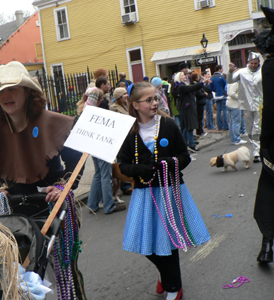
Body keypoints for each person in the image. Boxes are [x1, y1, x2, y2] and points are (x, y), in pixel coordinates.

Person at [0, 61, 87, 299]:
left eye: (13, 89)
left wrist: (63, 186)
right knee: (21, 279)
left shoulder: (50, 120)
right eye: (1, 91)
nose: (6, 95)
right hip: (13, 214)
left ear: (27, 92)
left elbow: (75, 163)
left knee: (64, 274)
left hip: (51, 207)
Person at [118, 81, 210, 300]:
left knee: (169, 240)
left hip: (170, 191)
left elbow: (185, 156)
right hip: (144, 194)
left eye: (155, 98)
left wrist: (168, 163)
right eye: (148, 100)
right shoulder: (129, 132)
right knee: (145, 243)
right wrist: (140, 169)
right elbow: (122, 165)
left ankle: (174, 287)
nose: (154, 103)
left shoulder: (168, 125)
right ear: (135, 105)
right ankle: (166, 274)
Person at [252, 5, 274, 264]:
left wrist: (263, 144)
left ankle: (267, 245)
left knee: (270, 191)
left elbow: (271, 111)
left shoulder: (272, 67)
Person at [84, 87, 126, 214]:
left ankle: (92, 204)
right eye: (101, 98)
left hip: (92, 144)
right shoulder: (96, 110)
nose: (102, 100)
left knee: (98, 174)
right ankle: (109, 205)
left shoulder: (85, 109)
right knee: (105, 176)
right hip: (101, 145)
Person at [227, 53, 263, 163]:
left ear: (258, 63)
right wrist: (230, 71)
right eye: (251, 63)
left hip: (260, 104)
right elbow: (229, 80)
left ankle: (257, 151)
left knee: (257, 127)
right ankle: (257, 146)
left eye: (255, 63)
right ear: (248, 62)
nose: (253, 65)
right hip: (246, 104)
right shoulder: (242, 72)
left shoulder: (262, 71)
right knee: (249, 128)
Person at [174, 72, 211, 152]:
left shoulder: (184, 85)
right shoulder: (181, 86)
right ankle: (191, 144)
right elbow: (192, 88)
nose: (185, 76)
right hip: (187, 108)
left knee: (188, 126)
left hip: (189, 107)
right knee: (189, 126)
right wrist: (202, 82)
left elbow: (193, 88)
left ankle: (184, 143)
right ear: (179, 78)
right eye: (183, 75)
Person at [210, 65, 229, 131]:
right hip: (223, 95)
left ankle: (219, 127)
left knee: (218, 111)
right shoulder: (221, 77)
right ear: (220, 69)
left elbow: (211, 88)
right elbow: (226, 85)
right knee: (224, 111)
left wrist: (216, 90)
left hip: (216, 96)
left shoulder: (212, 78)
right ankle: (225, 126)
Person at [191, 73, 208, 137]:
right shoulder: (196, 85)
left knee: (200, 118)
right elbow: (199, 94)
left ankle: (200, 130)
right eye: (198, 76)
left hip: (200, 103)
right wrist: (204, 94)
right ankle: (199, 131)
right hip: (199, 103)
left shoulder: (198, 85)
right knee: (199, 118)